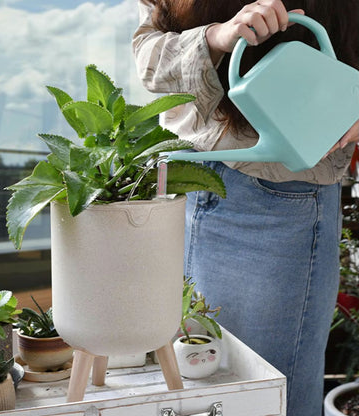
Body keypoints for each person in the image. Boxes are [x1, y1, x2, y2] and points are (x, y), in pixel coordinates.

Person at [132, 1, 359, 415]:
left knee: (265, 396)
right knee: (195, 391)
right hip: (183, 185)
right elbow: (147, 57)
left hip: (279, 198)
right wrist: (217, 36)